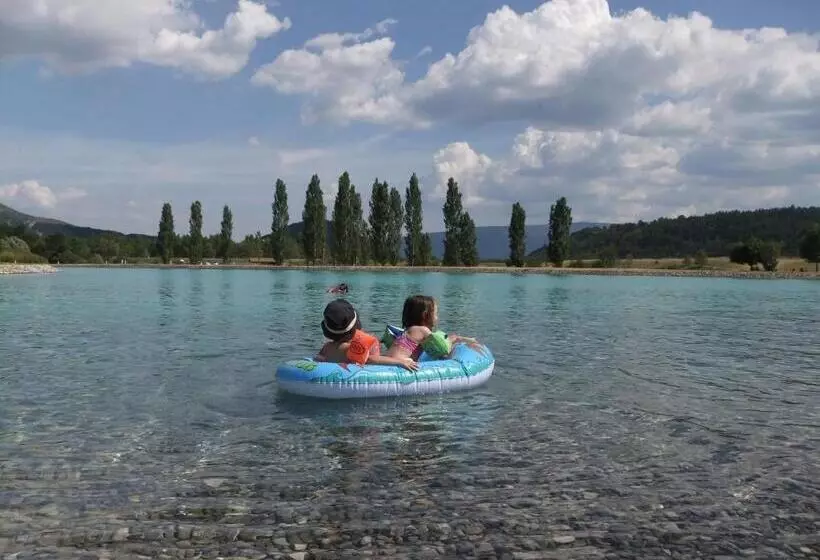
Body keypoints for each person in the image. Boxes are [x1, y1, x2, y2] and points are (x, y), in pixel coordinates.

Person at [315, 299, 418, 370]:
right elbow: (370, 359)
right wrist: (399, 362)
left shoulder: (327, 347)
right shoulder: (350, 348)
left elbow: (319, 359)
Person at [385, 295, 476, 361]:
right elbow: (442, 347)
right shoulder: (423, 330)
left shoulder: (409, 330)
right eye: (436, 313)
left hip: (388, 361)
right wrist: (457, 338)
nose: (437, 317)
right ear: (425, 315)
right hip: (398, 365)